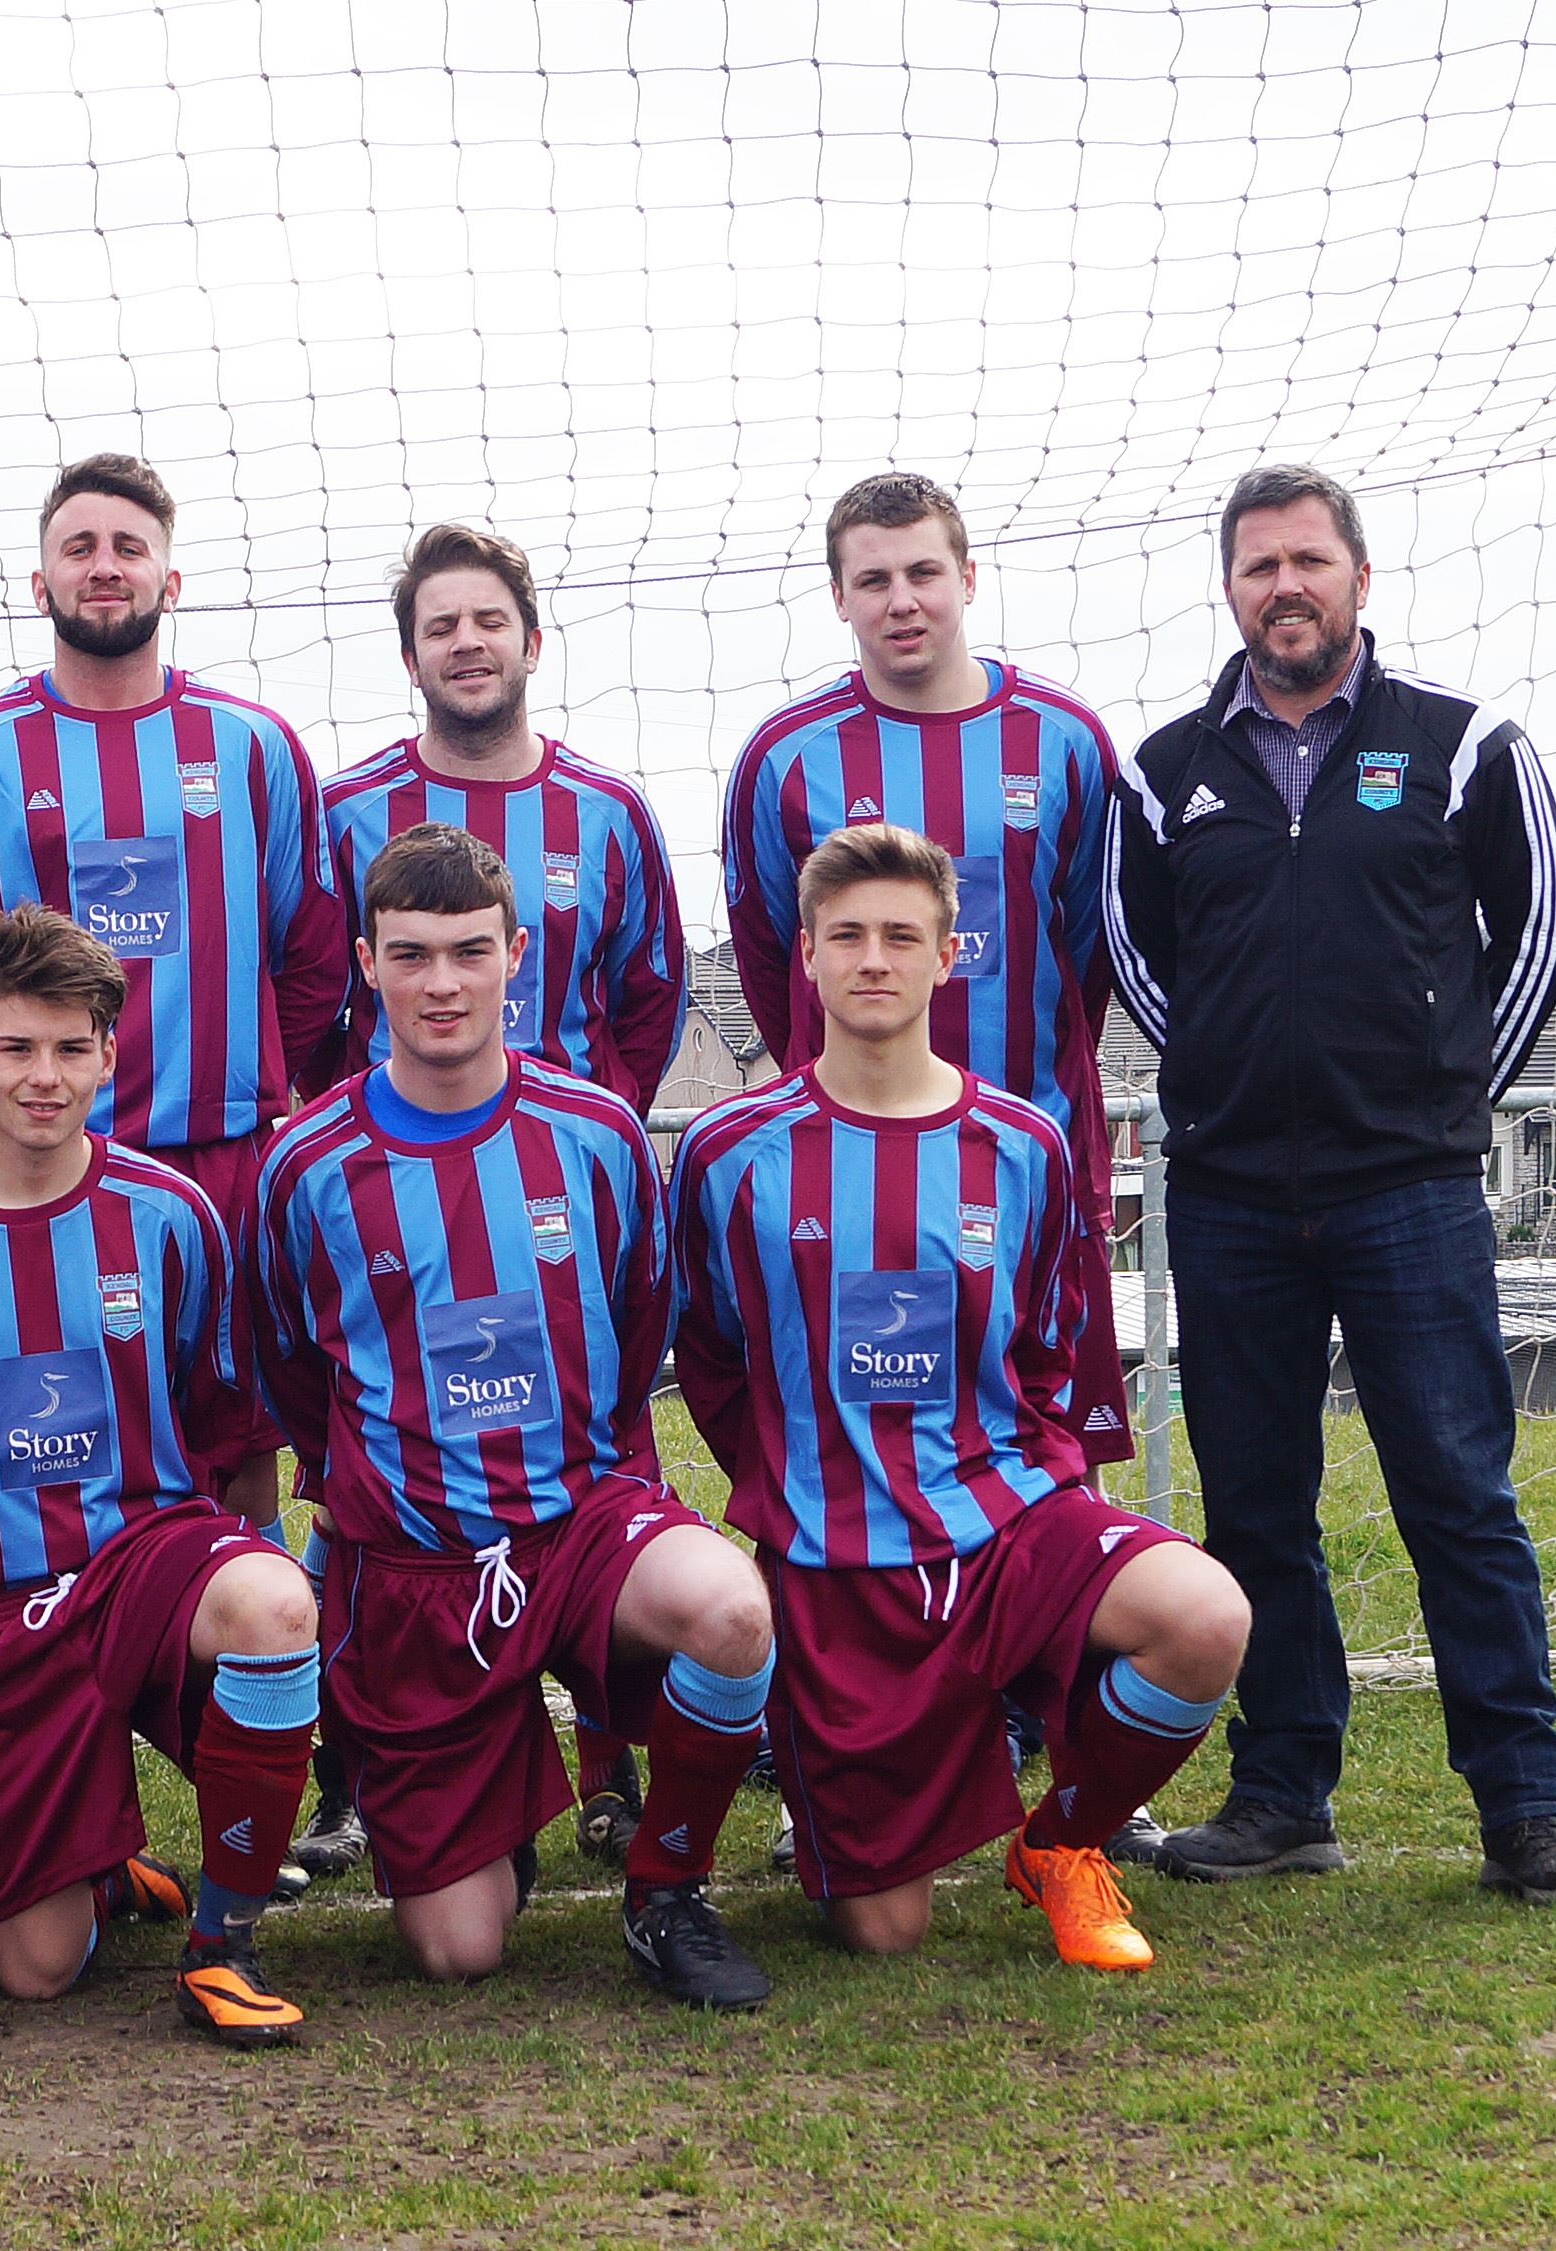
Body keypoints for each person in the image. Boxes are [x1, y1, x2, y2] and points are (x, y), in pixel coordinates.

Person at [1103, 463, 1556, 1907]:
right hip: (1231, 1195)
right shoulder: (1163, 772)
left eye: (1309, 559)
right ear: (1230, 590)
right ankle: (1283, 1789)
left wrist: (1447, 1104)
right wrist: (1215, 1079)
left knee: (1457, 1491)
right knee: (1257, 1501)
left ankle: (1527, 1805)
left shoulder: (1463, 746)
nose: (1286, 585)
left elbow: (1542, 932)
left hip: (1410, 1191)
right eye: (1259, 564)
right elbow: (1139, 961)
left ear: (1359, 578)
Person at [672, 824, 1249, 1969]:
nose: (873, 959)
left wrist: (1042, 1498)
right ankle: (852, 1782)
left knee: (1206, 1615)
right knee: (885, 1935)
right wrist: (799, 1489)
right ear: (806, 956)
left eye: (901, 935)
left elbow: (1048, 1351)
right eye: (847, 935)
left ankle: (1062, 1842)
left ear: (949, 956)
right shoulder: (730, 1151)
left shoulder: (1024, 1144)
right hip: (835, 1566)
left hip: (1003, 1524)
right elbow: (712, 1359)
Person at [254, 825, 780, 2011]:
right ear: (367, 963)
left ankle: (667, 1889)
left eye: (468, 953)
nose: (442, 983)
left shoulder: (596, 1134)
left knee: (734, 1609)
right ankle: (489, 1817)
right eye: (413, 954)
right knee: (457, 1950)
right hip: (417, 1569)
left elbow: (638, 1318)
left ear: (517, 955)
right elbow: (296, 1362)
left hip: (580, 1520)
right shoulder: (307, 1163)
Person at [0, 906, 322, 2047]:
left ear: (108, 1052)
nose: (44, 1076)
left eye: (70, 1046)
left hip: (144, 1565)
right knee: (38, 1973)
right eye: (17, 1047)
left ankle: (223, 1940)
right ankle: (96, 1863)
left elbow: (221, 1417)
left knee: (275, 1603)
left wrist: (233, 1559)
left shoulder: (172, 1215)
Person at [0, 452, 346, 1526]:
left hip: (221, 1157)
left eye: (129, 548)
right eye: (78, 548)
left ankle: (246, 1670)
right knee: (56, 1442)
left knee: (234, 1452)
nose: (105, 568)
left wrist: (257, 1087)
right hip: (40, 1163)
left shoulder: (253, 746)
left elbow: (313, 953)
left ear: (169, 581)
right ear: (37, 582)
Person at [318, 520, 689, 1870]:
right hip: (391, 1192)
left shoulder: (608, 812)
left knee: (594, 1449)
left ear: (531, 638)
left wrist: (589, 1126)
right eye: (441, 625)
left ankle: (609, 1764)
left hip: (562, 1193)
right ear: (412, 651)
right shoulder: (347, 810)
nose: (467, 643)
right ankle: (357, 1770)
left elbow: (652, 987)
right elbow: (313, 992)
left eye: (489, 620)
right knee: (375, 1462)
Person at [721, 475, 1136, 1470]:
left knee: (1046, 1457)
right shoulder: (785, 758)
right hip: (847, 1172)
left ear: (967, 577)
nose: (900, 600)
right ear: (838, 597)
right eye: (873, 580)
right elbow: (774, 960)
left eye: (921, 572)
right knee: (860, 1446)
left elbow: (1088, 957)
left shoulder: (1066, 740)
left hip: (1030, 1161)